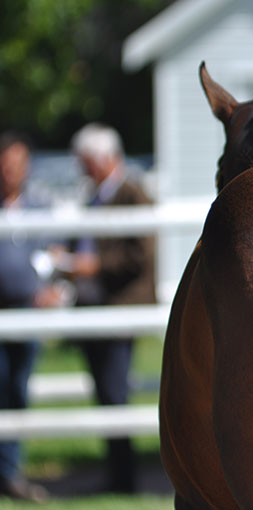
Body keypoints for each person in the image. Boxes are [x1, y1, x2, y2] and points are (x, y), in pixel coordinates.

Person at [63, 123, 156, 493]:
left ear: (102, 159)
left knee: (115, 390)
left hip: (121, 306)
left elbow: (140, 254)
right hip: (95, 305)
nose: (81, 168)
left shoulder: (134, 193)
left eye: (84, 161)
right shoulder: (93, 195)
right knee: (104, 390)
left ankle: (125, 478)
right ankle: (116, 474)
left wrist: (94, 263)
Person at [0, 132, 62, 503]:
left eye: (16, 164)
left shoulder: (39, 209)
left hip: (26, 311)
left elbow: (56, 255)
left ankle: (9, 471)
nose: (9, 171)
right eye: (5, 164)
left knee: (17, 389)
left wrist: (50, 288)